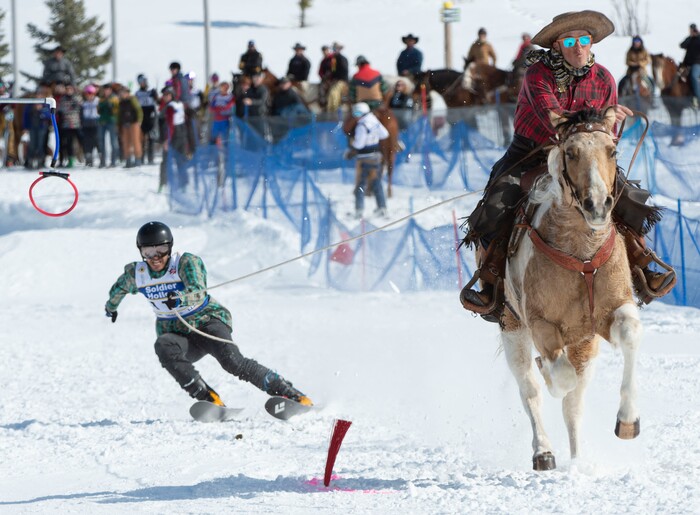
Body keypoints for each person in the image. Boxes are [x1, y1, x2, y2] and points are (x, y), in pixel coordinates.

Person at [459, 10, 676, 323]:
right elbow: (556, 121)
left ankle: (641, 265)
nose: (578, 47)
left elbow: (608, 137)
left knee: (626, 196)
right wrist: (603, 118)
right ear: (557, 45)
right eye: (570, 40)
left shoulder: (603, 78)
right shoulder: (537, 75)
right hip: (531, 152)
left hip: (586, 154)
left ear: (591, 44)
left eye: (584, 40)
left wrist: (608, 125)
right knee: (497, 199)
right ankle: (491, 278)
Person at [105, 221, 312, 409]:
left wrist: (180, 298)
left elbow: (197, 289)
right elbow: (119, 289)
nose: (155, 258)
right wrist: (111, 307)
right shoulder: (138, 274)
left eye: (161, 250)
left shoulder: (185, 263)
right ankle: (209, 399)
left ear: (170, 247)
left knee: (232, 362)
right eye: (148, 252)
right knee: (163, 345)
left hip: (207, 322)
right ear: (141, 252)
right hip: (180, 334)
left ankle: (289, 393)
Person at [344, 102, 389, 219]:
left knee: (361, 184)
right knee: (377, 183)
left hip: (364, 159)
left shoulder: (361, 126)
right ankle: (382, 208)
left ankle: (359, 210)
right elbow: (385, 134)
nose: (356, 116)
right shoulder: (374, 121)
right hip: (376, 157)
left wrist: (352, 148)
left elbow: (359, 144)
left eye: (357, 113)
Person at [159, 86, 188, 189]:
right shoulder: (180, 104)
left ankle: (163, 184)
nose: (165, 97)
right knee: (181, 160)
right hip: (182, 135)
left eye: (167, 95)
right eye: (164, 95)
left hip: (173, 136)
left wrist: (167, 140)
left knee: (166, 161)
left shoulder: (170, 107)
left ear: (172, 95)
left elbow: (170, 124)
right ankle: (183, 183)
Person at [135, 75, 159, 165]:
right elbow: (136, 103)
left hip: (151, 115)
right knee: (141, 139)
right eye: (140, 82)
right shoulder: (137, 93)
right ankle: (141, 158)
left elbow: (158, 101)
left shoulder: (151, 91)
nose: (143, 83)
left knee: (151, 138)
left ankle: (151, 158)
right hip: (142, 115)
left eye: (144, 81)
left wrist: (155, 95)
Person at [117, 86, 144, 168]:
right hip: (125, 124)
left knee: (136, 141)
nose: (122, 94)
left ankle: (138, 160)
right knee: (126, 142)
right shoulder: (121, 102)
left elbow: (139, 110)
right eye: (121, 93)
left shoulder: (132, 100)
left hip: (134, 123)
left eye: (124, 92)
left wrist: (139, 121)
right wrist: (119, 124)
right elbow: (119, 114)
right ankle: (128, 160)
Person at [57, 83, 82, 168]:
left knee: (80, 141)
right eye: (67, 89)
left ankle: (81, 157)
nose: (68, 91)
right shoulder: (63, 99)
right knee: (68, 143)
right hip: (66, 125)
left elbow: (79, 108)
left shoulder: (77, 98)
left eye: (70, 89)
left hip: (76, 124)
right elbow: (61, 110)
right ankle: (70, 160)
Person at [97, 83, 120, 168]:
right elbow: (98, 111)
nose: (106, 91)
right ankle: (102, 161)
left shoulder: (114, 99)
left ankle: (113, 161)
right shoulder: (101, 99)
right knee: (101, 142)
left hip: (111, 122)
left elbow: (117, 110)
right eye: (105, 90)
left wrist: (112, 107)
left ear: (110, 90)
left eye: (108, 90)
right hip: (102, 121)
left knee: (113, 142)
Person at [208, 80, 235, 146]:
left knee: (225, 139)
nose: (223, 89)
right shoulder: (216, 96)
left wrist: (221, 109)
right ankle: (213, 153)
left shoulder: (230, 97)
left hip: (225, 120)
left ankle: (226, 154)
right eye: (222, 87)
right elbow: (211, 107)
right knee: (213, 138)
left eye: (225, 87)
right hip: (216, 120)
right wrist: (217, 109)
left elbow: (230, 107)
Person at [681, 23, 700, 106]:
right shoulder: (690, 39)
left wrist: (697, 35)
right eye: (691, 29)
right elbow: (682, 45)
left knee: (693, 76)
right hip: (687, 64)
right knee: (680, 76)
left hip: (697, 63)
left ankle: (698, 97)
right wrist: (690, 37)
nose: (692, 31)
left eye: (694, 29)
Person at [80, 84, 100, 167]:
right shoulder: (84, 103)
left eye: (91, 93)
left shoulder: (98, 101)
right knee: (87, 143)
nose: (89, 95)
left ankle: (101, 159)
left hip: (96, 123)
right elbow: (81, 114)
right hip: (86, 124)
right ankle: (88, 160)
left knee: (97, 141)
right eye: (87, 93)